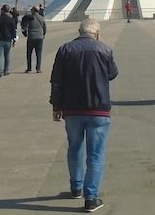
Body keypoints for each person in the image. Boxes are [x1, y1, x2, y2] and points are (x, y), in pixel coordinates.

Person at [49, 17, 118, 213]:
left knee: (75, 148)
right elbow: (113, 74)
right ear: (96, 33)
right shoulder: (104, 49)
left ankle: (76, 187)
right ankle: (91, 197)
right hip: (98, 109)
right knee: (95, 154)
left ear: (79, 32)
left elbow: (56, 81)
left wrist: (56, 106)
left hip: (72, 109)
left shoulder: (65, 50)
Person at [0, 4, 18, 77]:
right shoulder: (11, 19)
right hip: (8, 40)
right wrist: (14, 38)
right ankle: (6, 70)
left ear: (2, 10)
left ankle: (0, 71)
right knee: (7, 55)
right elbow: (13, 31)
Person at [22, 6, 48, 73]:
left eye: (31, 10)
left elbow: (25, 27)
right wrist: (43, 35)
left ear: (33, 10)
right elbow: (45, 28)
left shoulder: (29, 18)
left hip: (31, 37)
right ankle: (38, 68)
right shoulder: (41, 18)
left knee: (29, 54)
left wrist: (25, 34)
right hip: (39, 38)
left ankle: (29, 68)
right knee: (38, 54)